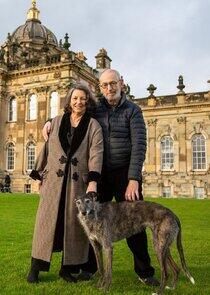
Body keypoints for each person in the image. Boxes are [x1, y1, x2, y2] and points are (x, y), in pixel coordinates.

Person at [43, 69, 159, 287]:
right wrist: (49, 121)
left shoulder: (133, 111)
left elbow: (139, 146)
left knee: (135, 223)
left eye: (113, 83)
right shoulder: (96, 109)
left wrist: (134, 179)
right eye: (104, 85)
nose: (109, 88)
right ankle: (89, 268)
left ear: (121, 83)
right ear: (100, 87)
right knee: (92, 221)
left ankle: (144, 271)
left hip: (125, 174)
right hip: (99, 175)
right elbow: (73, 113)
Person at [27, 84, 103, 284]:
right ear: (69, 101)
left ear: (88, 102)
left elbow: (96, 153)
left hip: (78, 184)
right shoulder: (56, 122)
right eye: (75, 98)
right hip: (53, 182)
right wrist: (38, 176)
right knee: (45, 224)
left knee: (73, 226)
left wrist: (93, 181)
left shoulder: (93, 125)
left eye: (83, 99)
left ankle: (67, 269)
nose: (79, 102)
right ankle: (35, 267)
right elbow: (47, 149)